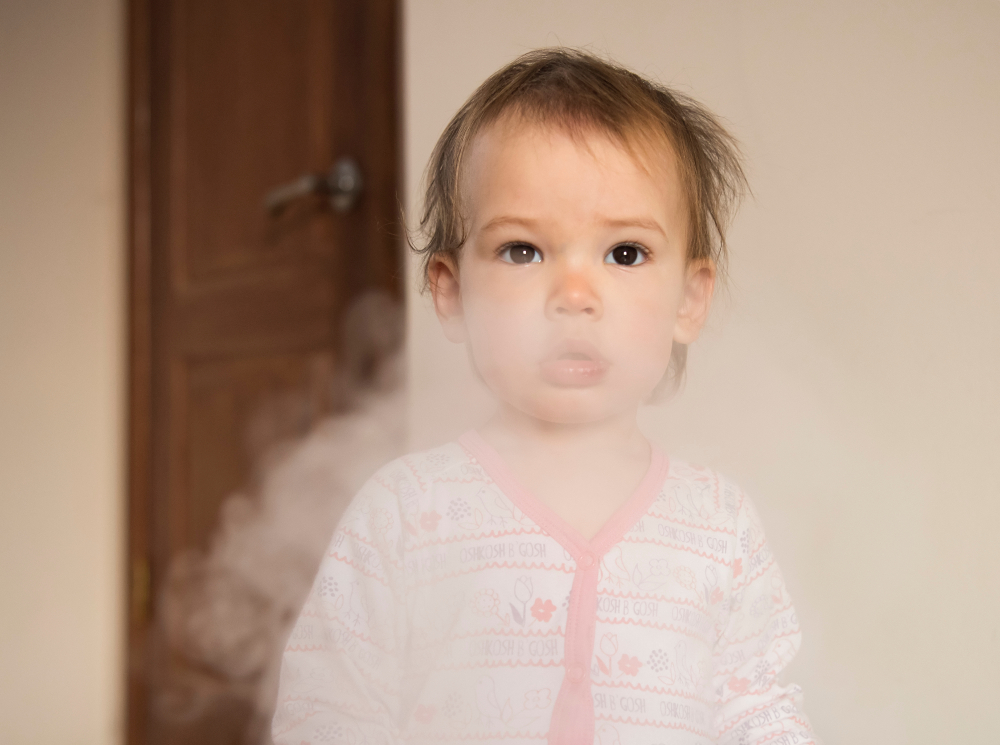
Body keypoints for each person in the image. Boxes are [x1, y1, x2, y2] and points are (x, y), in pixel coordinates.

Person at [272, 48, 818, 745]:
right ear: (451, 292)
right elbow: (328, 708)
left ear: (690, 297)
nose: (574, 295)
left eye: (625, 253)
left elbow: (758, 708)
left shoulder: (720, 529)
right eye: (523, 250)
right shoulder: (408, 514)